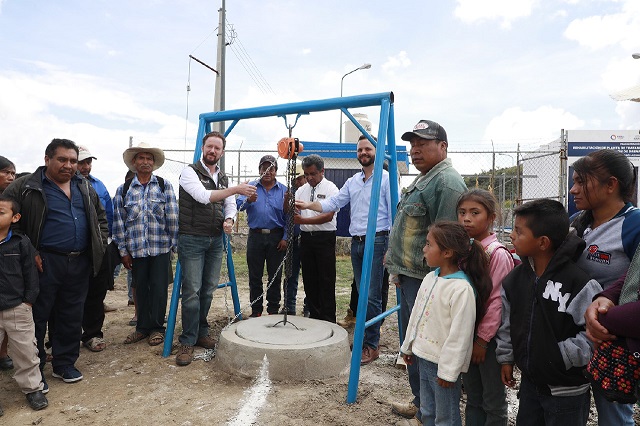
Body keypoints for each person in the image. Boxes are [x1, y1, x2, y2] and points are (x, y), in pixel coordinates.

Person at [4, 139, 109, 384]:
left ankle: (64, 364)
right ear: (47, 159)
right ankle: (35, 368)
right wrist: (30, 252)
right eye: (62, 159)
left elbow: (101, 219)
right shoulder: (26, 186)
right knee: (38, 316)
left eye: (73, 160)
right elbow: (9, 222)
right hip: (42, 262)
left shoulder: (84, 186)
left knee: (71, 315)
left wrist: (98, 244)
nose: (69, 165)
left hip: (79, 262)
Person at [386, 120, 467, 422]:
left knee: (427, 351)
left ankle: (431, 413)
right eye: (412, 144)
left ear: (443, 147)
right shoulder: (426, 179)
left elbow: (448, 243)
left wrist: (436, 284)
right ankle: (422, 405)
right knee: (415, 348)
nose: (414, 150)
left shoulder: (446, 183)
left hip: (426, 282)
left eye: (423, 143)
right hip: (412, 277)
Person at [496, 199, 602, 426]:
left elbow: (594, 332)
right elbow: (506, 323)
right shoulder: (515, 280)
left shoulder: (578, 282)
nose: (512, 236)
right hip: (530, 385)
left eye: (518, 231)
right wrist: (506, 357)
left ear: (543, 242)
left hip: (568, 391)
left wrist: (561, 356)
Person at [296, 135, 393, 364]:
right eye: (360, 150)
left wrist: (392, 246)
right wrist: (308, 205)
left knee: (372, 296)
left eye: (367, 149)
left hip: (377, 241)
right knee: (362, 295)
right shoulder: (353, 181)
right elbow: (333, 203)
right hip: (356, 242)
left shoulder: (387, 179)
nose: (363, 153)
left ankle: (371, 344)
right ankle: (364, 339)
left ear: (377, 152)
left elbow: (394, 215)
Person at [569, 149, 640, 425]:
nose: (574, 189)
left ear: (611, 185)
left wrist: (609, 316)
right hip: (573, 336)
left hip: (610, 342)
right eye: (573, 181)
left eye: (582, 181)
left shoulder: (633, 224)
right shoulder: (578, 223)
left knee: (613, 416)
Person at [175, 131, 255, 366]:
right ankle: (187, 340)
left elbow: (229, 204)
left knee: (208, 290)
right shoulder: (189, 172)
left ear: (221, 152)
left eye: (217, 148)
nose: (212, 151)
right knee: (192, 291)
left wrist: (229, 219)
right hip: (192, 238)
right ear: (203, 147)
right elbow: (203, 196)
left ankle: (201, 332)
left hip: (214, 240)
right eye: (209, 146)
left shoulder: (222, 177)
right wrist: (237, 190)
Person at [400, 221, 491, 426]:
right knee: (428, 411)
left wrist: (449, 372)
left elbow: (460, 336)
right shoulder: (430, 278)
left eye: (429, 244)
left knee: (446, 418)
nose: (424, 249)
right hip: (424, 357)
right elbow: (416, 315)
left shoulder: (461, 289)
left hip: (443, 365)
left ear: (447, 252)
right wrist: (408, 347)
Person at [113, 142, 178, 347]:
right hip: (137, 250)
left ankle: (157, 328)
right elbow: (118, 222)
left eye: (149, 159)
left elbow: (173, 217)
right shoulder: (123, 190)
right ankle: (142, 328)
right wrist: (123, 251)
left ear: (154, 163)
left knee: (159, 289)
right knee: (140, 288)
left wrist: (174, 246)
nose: (145, 162)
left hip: (160, 248)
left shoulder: (163, 185)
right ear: (134, 162)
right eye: (141, 158)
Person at [458, 189, 513, 426]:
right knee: (473, 397)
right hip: (467, 336)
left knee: (493, 401)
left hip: (488, 344)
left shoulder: (497, 254)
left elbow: (497, 303)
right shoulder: (463, 250)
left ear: (491, 217)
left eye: (474, 212)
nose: (466, 218)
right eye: (461, 213)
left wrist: (481, 341)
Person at [0, 195, 48, 413]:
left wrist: (28, 301)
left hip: (17, 308)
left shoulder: (20, 242)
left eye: (1, 212)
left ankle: (32, 389)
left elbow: (30, 273)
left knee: (25, 350)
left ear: (15, 217)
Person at [76, 145, 118, 353]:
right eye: (81, 162)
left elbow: (108, 215)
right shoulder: (62, 185)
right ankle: (64, 338)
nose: (85, 166)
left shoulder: (99, 185)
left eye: (88, 162)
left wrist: (105, 242)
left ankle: (92, 334)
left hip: (99, 249)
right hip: (72, 251)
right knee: (70, 294)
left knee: (96, 293)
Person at [236, 155, 288, 317]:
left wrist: (285, 237)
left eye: (271, 168)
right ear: (259, 170)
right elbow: (238, 205)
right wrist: (249, 200)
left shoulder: (284, 190)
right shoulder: (250, 187)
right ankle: (256, 310)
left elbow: (289, 217)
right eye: (263, 168)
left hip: (276, 237)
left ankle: (273, 309)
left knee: (275, 275)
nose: (267, 172)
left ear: (276, 171)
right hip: (255, 237)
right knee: (255, 275)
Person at [294, 154, 339, 322]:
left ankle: (328, 319)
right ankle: (314, 316)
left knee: (326, 279)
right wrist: (288, 202)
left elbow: (328, 216)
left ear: (322, 171)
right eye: (306, 174)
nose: (309, 178)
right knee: (309, 278)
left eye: (312, 174)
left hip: (324, 238)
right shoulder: (302, 190)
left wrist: (303, 220)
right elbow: (292, 211)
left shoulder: (331, 189)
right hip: (306, 239)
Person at [283, 162, 307, 315]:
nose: (297, 182)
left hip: (307, 238)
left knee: (309, 275)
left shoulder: (310, 191)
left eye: (300, 178)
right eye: (295, 179)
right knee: (290, 274)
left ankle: (309, 307)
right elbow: (286, 216)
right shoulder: (290, 193)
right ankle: (289, 306)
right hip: (293, 238)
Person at [0, 155, 16, 372]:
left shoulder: (10, 198)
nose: (11, 177)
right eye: (6, 172)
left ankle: (3, 353)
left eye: (13, 173)